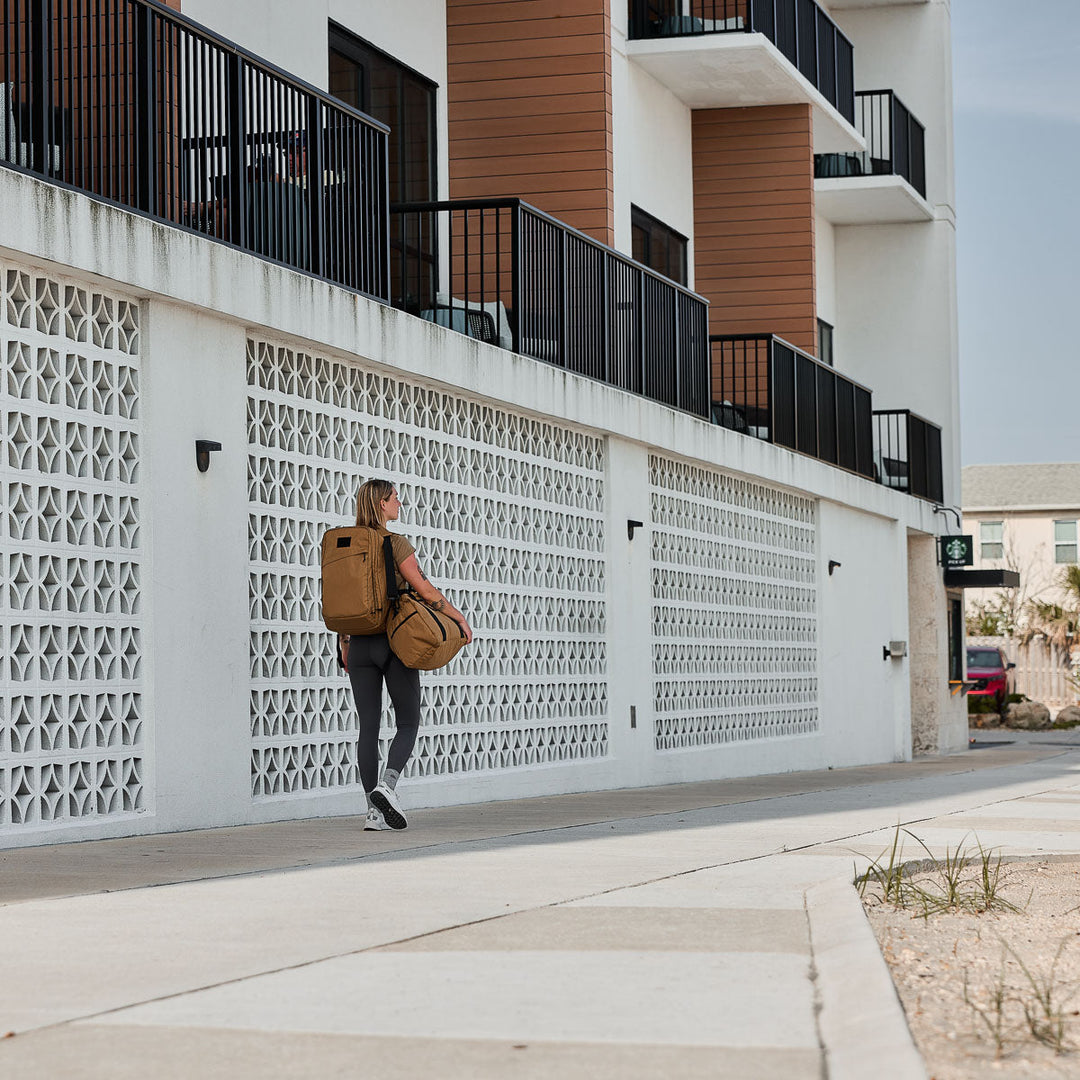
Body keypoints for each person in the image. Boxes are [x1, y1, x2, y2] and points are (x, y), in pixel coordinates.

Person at [339, 479, 472, 831]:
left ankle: (373, 812)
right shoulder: (394, 543)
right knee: (408, 721)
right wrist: (457, 617)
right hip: (396, 641)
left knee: (368, 726)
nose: (400, 503)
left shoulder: (347, 545)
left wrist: (344, 645)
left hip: (358, 644)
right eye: (395, 498)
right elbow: (423, 588)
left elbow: (344, 599)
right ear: (382, 504)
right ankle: (388, 786)